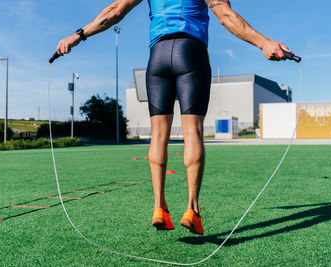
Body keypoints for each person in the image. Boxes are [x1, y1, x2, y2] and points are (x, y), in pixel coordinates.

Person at [56, 0, 292, 235]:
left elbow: (114, 12)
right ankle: (192, 211)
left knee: (158, 135)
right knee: (194, 132)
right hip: (191, 52)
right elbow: (226, 16)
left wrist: (77, 36)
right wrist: (264, 43)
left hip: (157, 57)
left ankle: (159, 208)